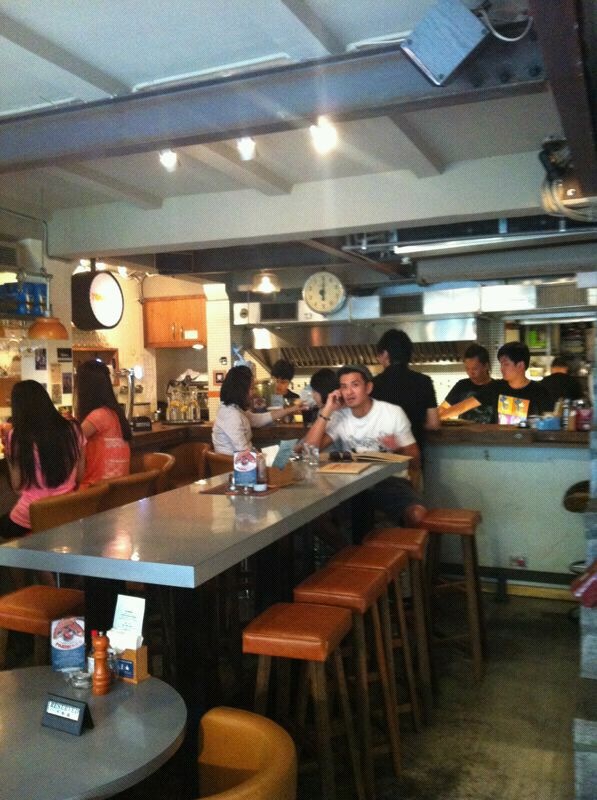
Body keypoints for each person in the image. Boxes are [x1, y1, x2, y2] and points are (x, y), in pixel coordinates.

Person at [302, 365, 427, 534]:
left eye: (355, 385)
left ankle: (409, 550)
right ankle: (347, 548)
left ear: (368, 387)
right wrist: (327, 409)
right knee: (312, 516)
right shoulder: (340, 416)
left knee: (417, 515)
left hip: (389, 482)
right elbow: (309, 449)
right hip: (350, 485)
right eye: (344, 387)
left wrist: (396, 449)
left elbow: (415, 458)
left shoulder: (392, 413)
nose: (349, 392)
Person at [0, 380, 85, 541]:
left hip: (32, 514)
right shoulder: (73, 428)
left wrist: (10, 456)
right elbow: (80, 476)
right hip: (67, 509)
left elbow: (17, 486)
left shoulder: (17, 437)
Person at [371, 328, 440, 453]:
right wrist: (416, 425)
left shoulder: (373, 384)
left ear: (385, 354)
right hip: (414, 453)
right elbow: (434, 424)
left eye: (379, 355)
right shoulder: (424, 381)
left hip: (383, 456)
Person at [445, 342, 547, 424]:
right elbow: (464, 406)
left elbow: (548, 420)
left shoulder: (539, 391)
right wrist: (439, 416)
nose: (501, 368)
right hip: (498, 441)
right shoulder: (496, 387)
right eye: (501, 364)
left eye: (506, 364)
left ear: (520, 365)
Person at [212, 365, 303, 454]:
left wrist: (290, 409)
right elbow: (244, 453)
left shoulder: (234, 410)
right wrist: (266, 456)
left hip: (241, 460)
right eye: (251, 388)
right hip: (235, 463)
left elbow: (259, 419)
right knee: (286, 453)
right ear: (240, 390)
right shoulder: (232, 416)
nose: (254, 392)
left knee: (286, 451)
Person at [74, 359, 132, 487]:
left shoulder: (98, 416)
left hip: (97, 490)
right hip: (120, 490)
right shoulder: (116, 413)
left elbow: (70, 441)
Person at [438, 343, 496, 423]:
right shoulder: (462, 385)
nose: (470, 373)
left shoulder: (496, 387)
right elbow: (443, 408)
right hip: (463, 431)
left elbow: (464, 406)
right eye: (467, 369)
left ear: (486, 366)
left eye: (474, 369)